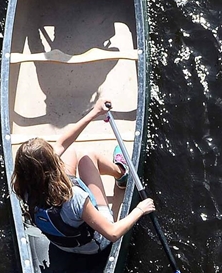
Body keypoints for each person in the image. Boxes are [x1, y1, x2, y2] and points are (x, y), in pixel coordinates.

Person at [11, 98, 154, 254]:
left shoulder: (23, 186)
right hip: (94, 244)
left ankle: (120, 175)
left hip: (62, 244)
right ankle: (122, 175)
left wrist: (94, 113)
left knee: (70, 153)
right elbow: (112, 233)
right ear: (50, 166)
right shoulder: (75, 197)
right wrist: (140, 209)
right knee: (88, 158)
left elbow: (62, 144)